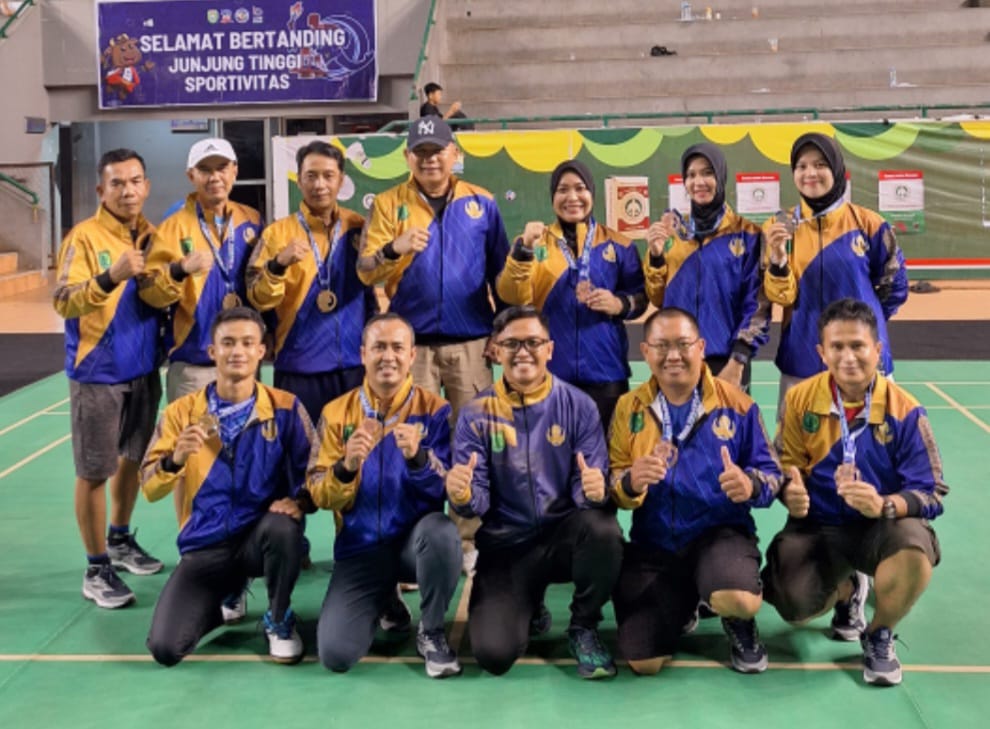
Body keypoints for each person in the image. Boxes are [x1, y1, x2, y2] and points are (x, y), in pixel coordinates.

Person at [762, 298, 947, 686]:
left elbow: (931, 492)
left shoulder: (906, 411)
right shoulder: (800, 400)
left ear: (877, 350)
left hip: (880, 527)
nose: (848, 357)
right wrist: (789, 491)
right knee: (792, 603)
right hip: (819, 525)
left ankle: (879, 632)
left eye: (858, 346)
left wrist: (885, 504)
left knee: (915, 550)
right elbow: (785, 464)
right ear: (821, 352)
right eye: (837, 346)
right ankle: (848, 590)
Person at [358, 114, 510, 576]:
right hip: (412, 349)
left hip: (471, 343)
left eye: (437, 151)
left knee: (471, 443)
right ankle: (415, 542)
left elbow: (502, 274)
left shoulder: (482, 203)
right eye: (420, 153)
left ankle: (468, 539)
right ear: (408, 157)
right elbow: (366, 270)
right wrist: (395, 247)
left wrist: (501, 329)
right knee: (410, 444)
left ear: (454, 154)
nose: (430, 160)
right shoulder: (389, 204)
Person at [446, 306, 623, 679]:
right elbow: (476, 500)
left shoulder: (579, 406)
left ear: (550, 349)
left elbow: (588, 489)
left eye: (533, 342)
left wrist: (594, 491)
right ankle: (530, 605)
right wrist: (462, 496)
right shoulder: (475, 414)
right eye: (512, 343)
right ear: (495, 350)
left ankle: (584, 626)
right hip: (506, 546)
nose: (523, 352)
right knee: (493, 655)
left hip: (562, 539)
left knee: (604, 529)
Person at [608, 307, 782, 675]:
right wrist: (630, 482)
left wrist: (750, 484)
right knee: (643, 663)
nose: (673, 355)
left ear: (701, 348)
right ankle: (685, 601)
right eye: (662, 346)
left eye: (683, 344)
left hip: (718, 535)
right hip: (654, 543)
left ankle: (736, 618)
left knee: (739, 598)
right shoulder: (628, 408)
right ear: (645, 352)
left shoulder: (738, 405)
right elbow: (613, 481)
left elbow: (772, 474)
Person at [141, 307, 315, 666]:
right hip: (205, 544)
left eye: (248, 343)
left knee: (284, 527)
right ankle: (224, 595)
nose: (238, 351)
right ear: (212, 351)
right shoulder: (180, 413)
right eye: (228, 343)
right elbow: (150, 487)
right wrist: (175, 459)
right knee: (166, 648)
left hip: (259, 539)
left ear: (261, 351)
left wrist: (300, 501)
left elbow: (314, 473)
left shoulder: (286, 408)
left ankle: (279, 618)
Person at [304, 313, 462, 678]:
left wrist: (418, 458)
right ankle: (386, 598)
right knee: (336, 654)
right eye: (379, 347)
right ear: (363, 354)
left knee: (442, 533)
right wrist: (346, 467)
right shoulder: (336, 412)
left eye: (397, 348)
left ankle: (432, 631)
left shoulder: (434, 410)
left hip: (413, 546)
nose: (388, 356)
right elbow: (318, 492)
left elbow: (445, 488)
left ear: (411, 356)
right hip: (360, 549)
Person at [53, 148, 164, 609]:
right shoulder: (83, 237)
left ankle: (119, 538)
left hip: (143, 370)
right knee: (95, 470)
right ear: (102, 190)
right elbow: (63, 299)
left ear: (146, 186)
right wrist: (109, 276)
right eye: (117, 183)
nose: (127, 190)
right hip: (97, 372)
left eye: (135, 181)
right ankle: (96, 566)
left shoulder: (153, 235)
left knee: (133, 459)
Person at [496, 159, 647, 431]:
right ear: (553, 197)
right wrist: (524, 250)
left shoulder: (620, 244)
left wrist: (619, 303)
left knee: (606, 451)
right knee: (551, 452)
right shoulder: (533, 243)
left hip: (606, 373)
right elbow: (512, 295)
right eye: (563, 190)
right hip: (549, 372)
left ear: (592, 193)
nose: (572, 197)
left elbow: (642, 298)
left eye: (580, 188)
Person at [763, 133, 908, 407]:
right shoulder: (778, 227)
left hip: (864, 363)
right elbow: (781, 297)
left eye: (820, 165)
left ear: (837, 169)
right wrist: (779, 259)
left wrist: (868, 322)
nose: (810, 173)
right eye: (801, 166)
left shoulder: (869, 224)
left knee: (878, 434)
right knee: (797, 435)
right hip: (803, 361)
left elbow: (896, 285)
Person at [247, 140, 377, 425]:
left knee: (354, 447)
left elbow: (371, 296)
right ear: (299, 180)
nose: (320, 185)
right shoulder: (276, 234)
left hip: (353, 368)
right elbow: (258, 298)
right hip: (298, 369)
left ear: (341, 180)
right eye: (311, 176)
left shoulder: (358, 228)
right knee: (300, 449)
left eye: (328, 176)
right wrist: (278, 264)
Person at [141, 137, 263, 402]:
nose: (215, 177)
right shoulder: (172, 228)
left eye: (222, 168)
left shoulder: (252, 220)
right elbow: (150, 294)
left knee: (247, 430)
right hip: (194, 366)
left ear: (235, 170)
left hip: (245, 361)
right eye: (205, 170)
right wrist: (179, 270)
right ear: (191, 175)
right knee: (192, 431)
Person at [644, 143, 770, 392]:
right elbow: (658, 299)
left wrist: (738, 360)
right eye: (691, 175)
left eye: (707, 173)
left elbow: (757, 307)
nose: (698, 182)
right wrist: (656, 257)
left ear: (720, 177)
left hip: (727, 363)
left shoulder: (748, 235)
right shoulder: (673, 236)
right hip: (676, 361)